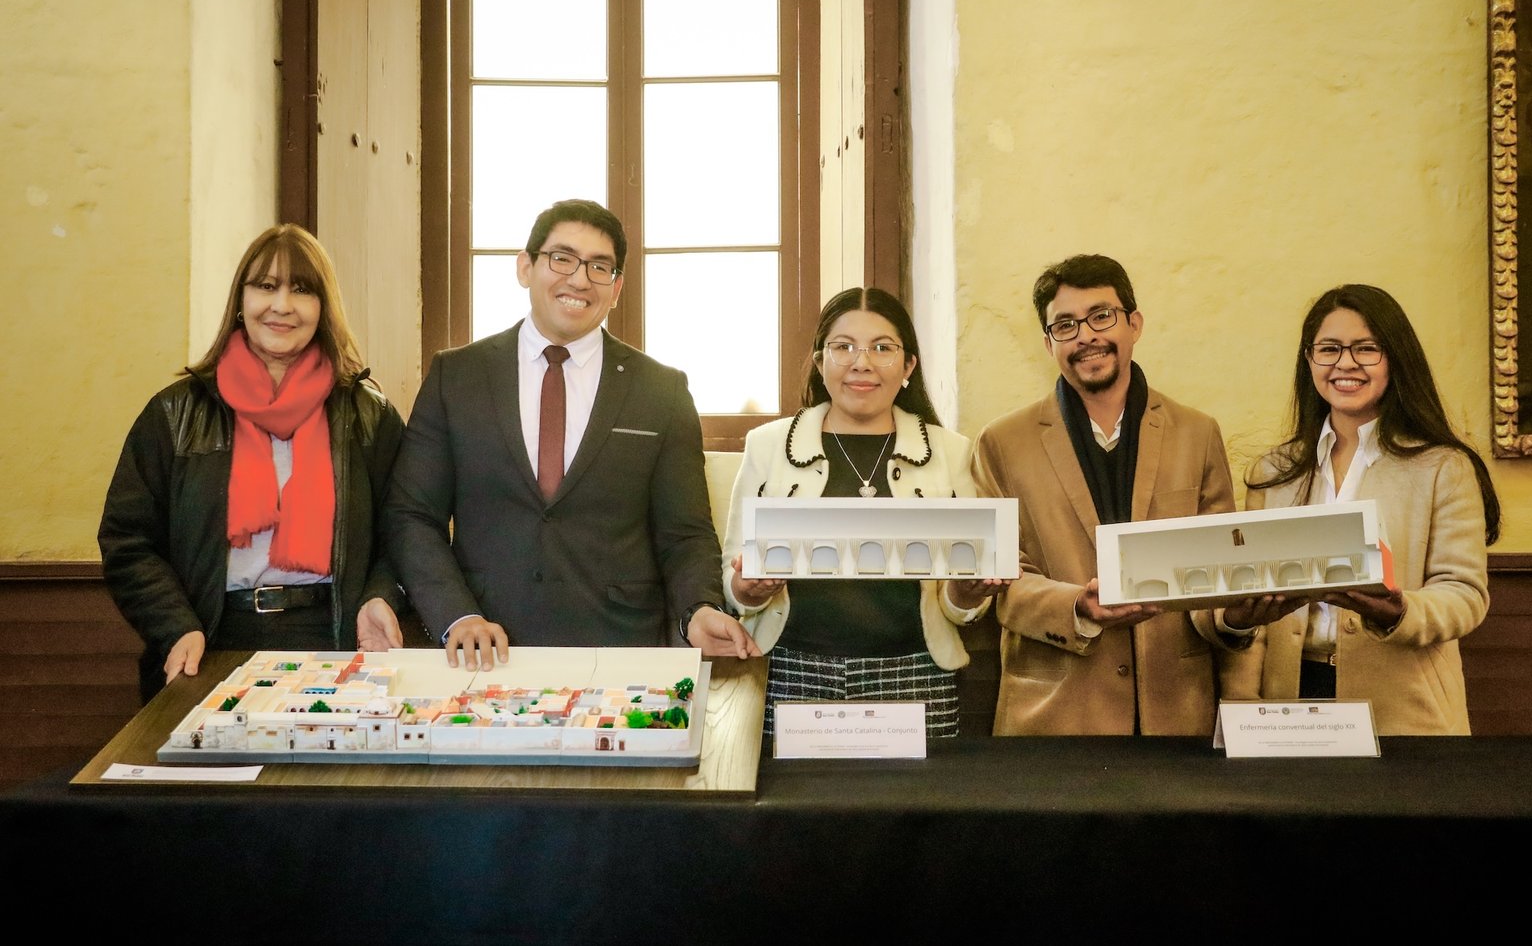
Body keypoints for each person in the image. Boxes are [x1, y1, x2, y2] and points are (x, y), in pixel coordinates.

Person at [383, 198, 756, 669]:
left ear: (617, 288)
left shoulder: (661, 389)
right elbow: (412, 514)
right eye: (562, 258)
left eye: (600, 267)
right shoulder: (456, 376)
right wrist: (456, 615)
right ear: (525, 267)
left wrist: (697, 610)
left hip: (622, 650)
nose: (579, 279)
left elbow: (684, 534)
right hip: (483, 648)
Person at [99, 224, 408, 703]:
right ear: (240, 302)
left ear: (323, 308)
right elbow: (128, 540)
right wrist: (176, 626)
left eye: (302, 289)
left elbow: (403, 531)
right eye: (266, 286)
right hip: (210, 640)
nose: (282, 304)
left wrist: (379, 597)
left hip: (336, 639)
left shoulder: (368, 415)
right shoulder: (177, 411)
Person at [971, 254, 1259, 735]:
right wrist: (1075, 607)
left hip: (1177, 715)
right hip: (1054, 719)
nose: (1085, 336)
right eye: (1065, 325)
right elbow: (1000, 583)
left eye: (1101, 316)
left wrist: (1236, 616)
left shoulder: (1197, 432)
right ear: (1048, 343)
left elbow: (1219, 572)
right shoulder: (1002, 442)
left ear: (1134, 324)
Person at [721, 287, 1007, 737]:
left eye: (882, 348)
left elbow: (957, 606)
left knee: (911, 810)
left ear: (909, 365)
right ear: (820, 362)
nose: (862, 362)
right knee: (793, 809)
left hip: (915, 674)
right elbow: (732, 576)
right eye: (843, 347)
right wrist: (749, 588)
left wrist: (968, 592)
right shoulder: (768, 445)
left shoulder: (949, 452)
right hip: (790, 671)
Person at [1237, 284, 1498, 734]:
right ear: (1309, 360)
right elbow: (1249, 606)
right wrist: (1243, 698)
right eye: (1329, 349)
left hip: (1404, 709)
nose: (1345, 363)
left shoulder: (1444, 467)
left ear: (1395, 359)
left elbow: (1465, 595)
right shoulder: (1272, 473)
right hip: (1286, 708)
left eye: (1366, 349)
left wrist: (1398, 611)